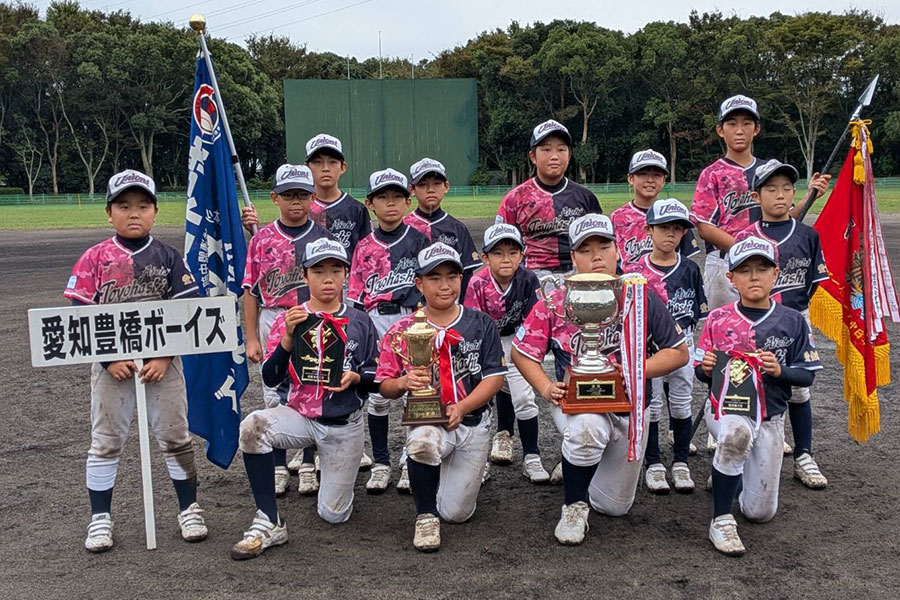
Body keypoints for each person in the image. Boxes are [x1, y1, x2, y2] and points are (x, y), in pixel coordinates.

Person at [512, 214, 689, 545]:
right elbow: (521, 353)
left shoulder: (639, 295)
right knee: (587, 429)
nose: (596, 256)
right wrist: (545, 387)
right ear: (574, 258)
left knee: (613, 507)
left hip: (631, 406)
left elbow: (678, 353)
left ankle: (579, 464)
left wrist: (636, 369)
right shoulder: (558, 298)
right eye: (585, 249)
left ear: (617, 250)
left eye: (603, 246)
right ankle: (574, 504)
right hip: (578, 402)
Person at [64, 169, 207, 552]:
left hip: (163, 364)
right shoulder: (95, 257)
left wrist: (163, 356)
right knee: (106, 441)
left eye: (143, 206)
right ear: (108, 212)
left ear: (155, 211)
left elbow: (187, 312)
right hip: (111, 366)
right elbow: (78, 315)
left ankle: (188, 507)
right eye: (124, 206)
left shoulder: (168, 256)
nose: (134, 213)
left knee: (175, 436)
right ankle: (100, 518)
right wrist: (109, 359)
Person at [231, 238, 378, 560]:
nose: (328, 279)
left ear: (346, 275)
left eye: (336, 270)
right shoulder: (292, 318)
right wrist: (286, 340)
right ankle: (269, 520)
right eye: (319, 271)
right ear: (305, 275)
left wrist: (356, 378)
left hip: (343, 423)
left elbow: (377, 377)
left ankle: (334, 468)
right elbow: (270, 378)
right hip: (300, 415)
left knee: (333, 515)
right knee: (253, 427)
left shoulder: (361, 321)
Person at [695, 236, 821, 556]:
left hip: (771, 417)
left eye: (762, 269)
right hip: (725, 410)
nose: (754, 276)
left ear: (775, 274)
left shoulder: (792, 320)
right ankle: (721, 519)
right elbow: (700, 374)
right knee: (735, 434)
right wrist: (706, 368)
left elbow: (807, 375)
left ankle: (730, 474)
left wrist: (780, 371)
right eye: (745, 270)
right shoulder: (718, 318)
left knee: (759, 513)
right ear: (730, 278)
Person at [376, 243, 506, 552]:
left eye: (451, 276)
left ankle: (444, 473)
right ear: (419, 283)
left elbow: (495, 377)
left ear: (462, 279)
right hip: (428, 419)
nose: (444, 285)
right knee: (422, 442)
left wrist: (462, 406)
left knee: (458, 514)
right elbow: (383, 384)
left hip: (472, 423)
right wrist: (403, 382)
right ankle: (425, 516)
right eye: (434, 278)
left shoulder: (480, 323)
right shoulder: (403, 329)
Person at [732, 159, 830, 488]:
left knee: (799, 390)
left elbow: (813, 282)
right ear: (756, 196)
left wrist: (795, 313)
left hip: (794, 319)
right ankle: (743, 455)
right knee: (747, 386)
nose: (780, 195)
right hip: (751, 319)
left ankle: (803, 454)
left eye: (787, 188)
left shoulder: (807, 234)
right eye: (771, 189)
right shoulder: (746, 236)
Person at [286, 134, 375, 486]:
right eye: (317, 162)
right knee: (306, 370)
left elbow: (366, 252)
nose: (324, 168)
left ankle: (350, 440)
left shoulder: (355, 209)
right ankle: (307, 449)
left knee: (350, 369)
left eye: (331, 162)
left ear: (342, 167)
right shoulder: (304, 205)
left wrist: (357, 298)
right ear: (308, 167)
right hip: (308, 298)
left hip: (345, 297)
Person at [241, 164, 333, 496]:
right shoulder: (262, 239)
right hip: (273, 316)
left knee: (312, 387)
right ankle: (278, 465)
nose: (296, 202)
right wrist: (251, 336)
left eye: (303, 195)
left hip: (314, 317)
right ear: (275, 198)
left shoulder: (323, 238)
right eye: (289, 195)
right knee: (274, 392)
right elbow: (250, 290)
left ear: (312, 198)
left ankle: (308, 463)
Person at [347, 168, 431, 493]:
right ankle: (381, 462)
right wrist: (358, 334)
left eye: (397, 196)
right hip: (375, 321)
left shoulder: (419, 240)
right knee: (379, 395)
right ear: (370, 204)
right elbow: (355, 297)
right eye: (383, 197)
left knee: (417, 390)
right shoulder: (364, 247)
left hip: (413, 319)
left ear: (408, 201)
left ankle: (412, 460)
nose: (391, 203)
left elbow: (429, 285)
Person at [622, 198, 707, 494]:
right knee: (653, 403)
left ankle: (681, 462)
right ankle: (654, 463)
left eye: (677, 228)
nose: (670, 234)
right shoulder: (634, 272)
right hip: (648, 348)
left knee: (682, 402)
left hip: (683, 341)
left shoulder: (691, 270)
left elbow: (698, 310)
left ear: (685, 233)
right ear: (648, 230)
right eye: (663, 228)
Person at [464, 224, 547, 482]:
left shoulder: (528, 279)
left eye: (513, 252)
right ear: (486, 257)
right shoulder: (477, 282)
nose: (506, 258)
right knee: (479, 399)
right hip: (484, 343)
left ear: (522, 255)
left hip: (516, 339)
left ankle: (531, 456)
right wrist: (491, 356)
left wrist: (523, 351)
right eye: (498, 253)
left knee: (524, 397)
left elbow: (534, 320)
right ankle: (478, 461)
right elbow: (474, 325)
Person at [496, 119, 602, 283]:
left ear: (569, 155)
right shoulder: (515, 199)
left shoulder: (585, 198)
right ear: (533, 156)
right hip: (530, 277)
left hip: (578, 274)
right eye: (546, 150)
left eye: (561, 150)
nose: (554, 156)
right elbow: (500, 245)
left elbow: (601, 243)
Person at [404, 158, 481, 298]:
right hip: (410, 306)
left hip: (448, 302)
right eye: (422, 184)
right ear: (412, 189)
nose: (430, 190)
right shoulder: (403, 227)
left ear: (446, 186)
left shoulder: (457, 228)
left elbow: (466, 274)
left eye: (437, 183)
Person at [611, 149, 700, 266]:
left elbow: (684, 262)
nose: (650, 180)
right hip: (628, 282)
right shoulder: (617, 217)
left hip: (666, 282)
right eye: (643, 174)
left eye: (657, 175)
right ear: (631, 178)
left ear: (663, 180)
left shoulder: (675, 214)